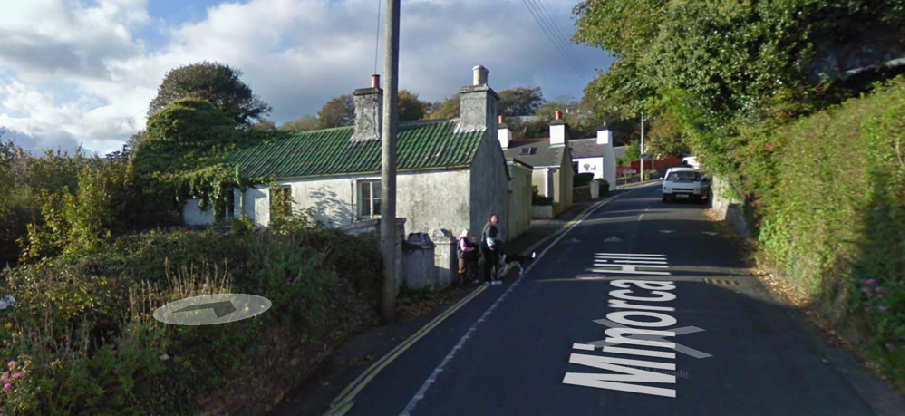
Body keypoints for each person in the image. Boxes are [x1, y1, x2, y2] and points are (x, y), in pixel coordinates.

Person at [481, 213, 503, 285]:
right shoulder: (490, 226)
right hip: (490, 248)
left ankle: (488, 279)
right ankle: (492, 279)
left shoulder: (492, 226)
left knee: (489, 263)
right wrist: (491, 246)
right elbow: (489, 237)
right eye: (494, 218)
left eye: (496, 218)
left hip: (488, 247)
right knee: (492, 263)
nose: (496, 219)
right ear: (490, 219)